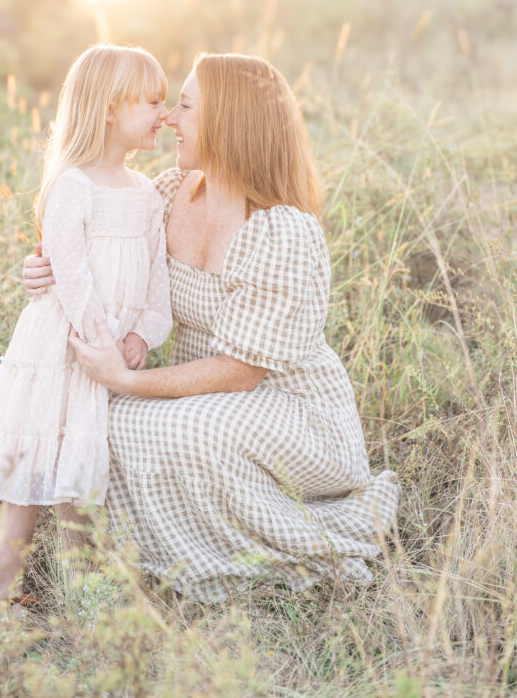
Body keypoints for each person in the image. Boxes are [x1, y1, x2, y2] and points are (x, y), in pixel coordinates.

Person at [23, 52, 399, 602]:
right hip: (198, 390)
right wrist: (44, 269)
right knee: (98, 420)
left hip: (289, 407)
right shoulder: (170, 192)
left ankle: (254, 559)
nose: (170, 118)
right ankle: (146, 562)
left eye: (186, 106)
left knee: (192, 429)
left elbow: (242, 373)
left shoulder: (282, 230)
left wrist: (126, 380)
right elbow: (101, 260)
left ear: (229, 122)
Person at [0, 44, 173, 606]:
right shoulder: (72, 186)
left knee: (82, 474)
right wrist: (100, 339)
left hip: (106, 356)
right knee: (29, 469)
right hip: (63, 347)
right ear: (108, 107)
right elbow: (72, 278)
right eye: (151, 102)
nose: (164, 114)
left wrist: (140, 335)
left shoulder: (147, 193)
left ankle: (81, 592)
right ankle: (7, 590)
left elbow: (158, 280)